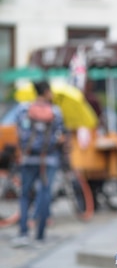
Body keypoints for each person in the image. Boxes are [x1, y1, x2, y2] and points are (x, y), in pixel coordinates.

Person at [13, 80, 65, 247]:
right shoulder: (55, 112)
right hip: (48, 159)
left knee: (25, 194)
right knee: (45, 194)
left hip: (28, 158)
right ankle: (40, 235)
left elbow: (18, 131)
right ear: (47, 92)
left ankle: (23, 233)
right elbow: (61, 136)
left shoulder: (24, 109)